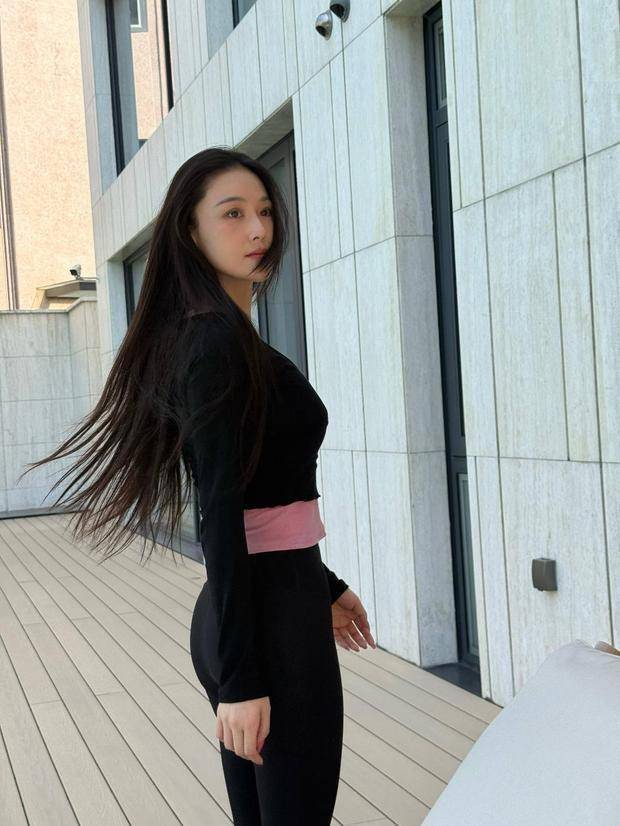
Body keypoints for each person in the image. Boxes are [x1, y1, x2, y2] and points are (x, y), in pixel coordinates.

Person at [21, 147, 375, 825]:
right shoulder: (214, 343)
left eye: (265, 211)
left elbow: (260, 488)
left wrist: (323, 584)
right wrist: (243, 678)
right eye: (233, 214)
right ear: (191, 230)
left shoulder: (219, 339)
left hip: (263, 609)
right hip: (267, 628)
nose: (259, 229)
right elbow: (220, 510)